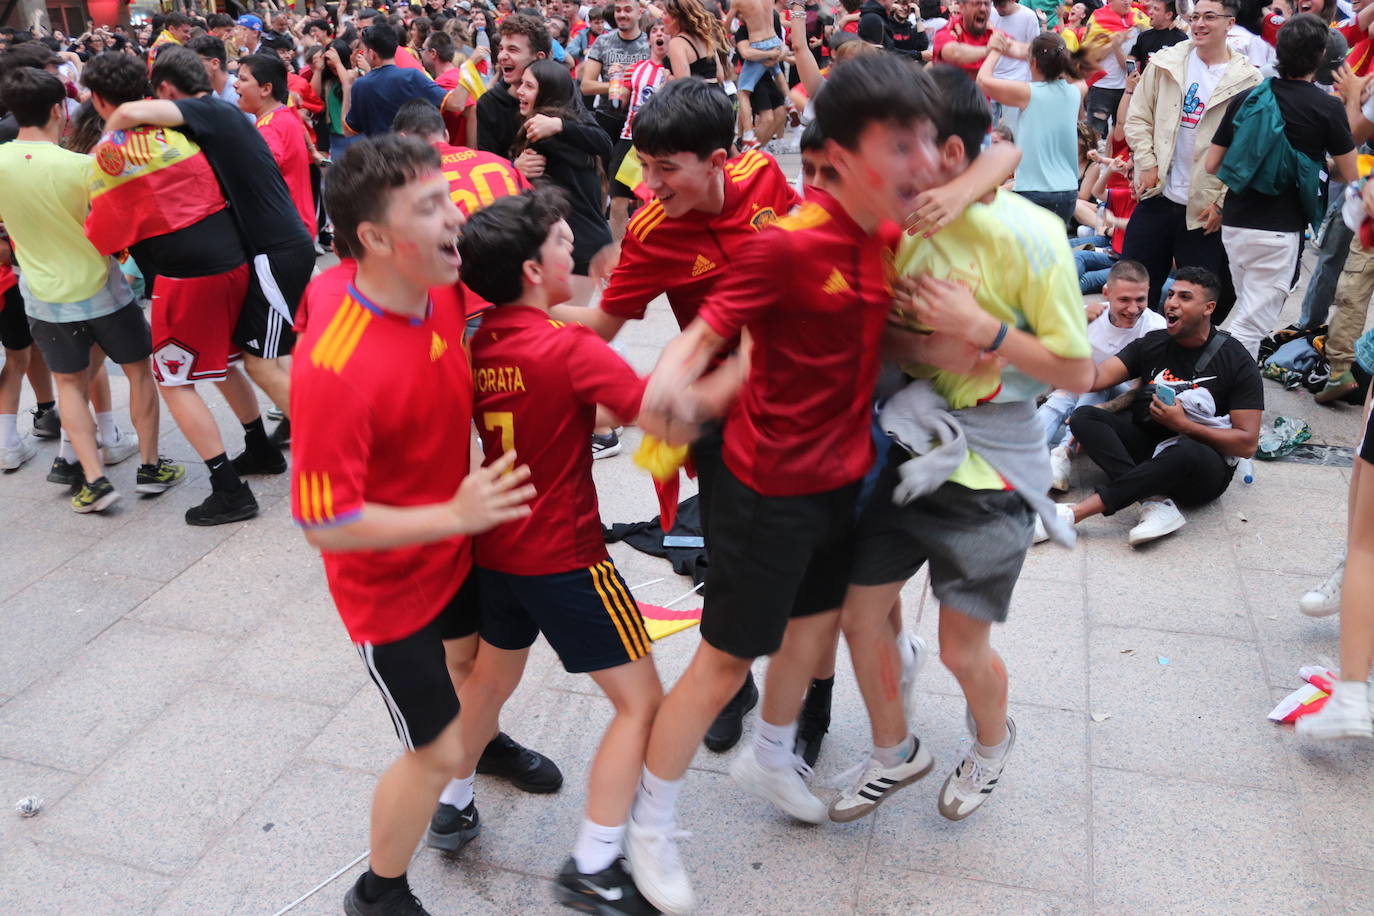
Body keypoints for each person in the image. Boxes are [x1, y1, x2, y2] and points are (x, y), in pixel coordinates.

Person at [623, 55, 1011, 914]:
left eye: (925, 143)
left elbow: (998, 156)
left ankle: (771, 756)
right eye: (902, 145)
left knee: (816, 633)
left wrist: (960, 346)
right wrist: (673, 387)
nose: (924, 163)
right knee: (724, 663)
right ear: (837, 156)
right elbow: (707, 333)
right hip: (768, 489)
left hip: (845, 476)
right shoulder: (788, 244)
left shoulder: (878, 236)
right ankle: (645, 828)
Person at [828, 63, 1094, 825]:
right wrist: (926, 342)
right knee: (860, 613)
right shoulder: (895, 222)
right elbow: (886, 335)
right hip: (908, 452)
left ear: (947, 152)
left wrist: (986, 332)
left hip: (993, 475)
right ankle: (894, 752)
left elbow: (1075, 367)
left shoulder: (1031, 235)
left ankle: (990, 743)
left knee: (960, 650)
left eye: (899, 141)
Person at [290, 134, 536, 916]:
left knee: (474, 671)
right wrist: (454, 511)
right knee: (430, 749)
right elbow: (325, 525)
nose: (455, 217)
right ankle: (379, 892)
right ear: (373, 237)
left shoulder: (439, 281)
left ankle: (484, 745)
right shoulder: (334, 364)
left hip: (455, 544)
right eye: (430, 207)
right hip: (387, 587)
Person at [553, 79, 802, 752]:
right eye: (645, 165)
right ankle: (732, 681)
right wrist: (523, 304)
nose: (650, 183)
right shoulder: (653, 232)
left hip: (806, 393)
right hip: (722, 412)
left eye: (667, 168)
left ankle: (814, 685)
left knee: (819, 548)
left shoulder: (764, 174)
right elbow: (600, 324)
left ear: (718, 161)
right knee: (724, 549)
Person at [454, 188, 663, 914]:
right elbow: (657, 412)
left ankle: (452, 801)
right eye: (563, 244)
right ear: (533, 270)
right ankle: (597, 863)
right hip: (568, 556)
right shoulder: (568, 347)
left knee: (487, 682)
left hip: (497, 547)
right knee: (642, 704)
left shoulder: (479, 340)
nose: (574, 248)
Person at [105, 46, 316, 462]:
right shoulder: (224, 117)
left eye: (244, 78)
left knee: (260, 364)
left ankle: (334, 448)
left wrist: (104, 149)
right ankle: (275, 444)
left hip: (276, 251)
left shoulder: (212, 113)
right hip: (271, 250)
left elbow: (128, 115)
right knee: (264, 356)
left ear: (166, 89)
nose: (236, 85)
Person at [83, 51, 265, 526]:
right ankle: (260, 446)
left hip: (185, 276)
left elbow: (105, 236)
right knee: (223, 361)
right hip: (232, 259)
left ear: (98, 99)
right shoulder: (176, 130)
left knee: (174, 379)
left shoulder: (108, 154)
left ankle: (229, 488)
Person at [0, 65, 183, 513]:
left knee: (69, 385)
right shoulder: (84, 166)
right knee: (139, 371)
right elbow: (115, 229)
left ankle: (94, 479)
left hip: (42, 293)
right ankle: (149, 466)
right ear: (60, 110)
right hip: (102, 289)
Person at [1048, 267, 1263, 546]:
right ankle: (1153, 503)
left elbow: (1247, 444)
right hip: (1151, 448)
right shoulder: (1153, 343)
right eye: (1171, 294)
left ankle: (1075, 513)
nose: (1171, 303)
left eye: (1185, 297)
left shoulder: (1236, 360)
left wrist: (1184, 425)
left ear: (1208, 308)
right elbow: (1095, 379)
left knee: (1186, 449)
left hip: (1199, 470)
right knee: (1084, 417)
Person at [1206, 13, 1357, 359]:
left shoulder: (1248, 98)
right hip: (1279, 232)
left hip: (1236, 223)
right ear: (1320, 56)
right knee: (1250, 325)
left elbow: (1214, 164)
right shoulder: (1327, 107)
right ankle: (1206, 383)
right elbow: (1350, 174)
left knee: (1248, 306)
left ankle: (1235, 392)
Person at [1122, 0, 1260, 312]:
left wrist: (1223, 203)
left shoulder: (1248, 80)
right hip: (1157, 195)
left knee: (1199, 306)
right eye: (1195, 16)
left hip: (1203, 211)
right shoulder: (1166, 62)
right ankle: (1134, 354)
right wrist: (1147, 163)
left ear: (1230, 23)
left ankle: (1184, 359)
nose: (1199, 24)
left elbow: (1248, 152)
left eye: (1209, 17)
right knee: (1133, 288)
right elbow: (1138, 117)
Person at [1043, 260, 1166, 487]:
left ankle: (1063, 451)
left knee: (1105, 380)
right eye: (1124, 300)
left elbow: (1142, 389)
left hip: (1125, 403)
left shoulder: (1156, 328)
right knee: (1064, 395)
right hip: (1081, 388)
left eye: (1140, 299)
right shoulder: (1085, 316)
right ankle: (1030, 448)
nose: (1133, 309)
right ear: (1106, 293)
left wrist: (1103, 409)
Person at [511, 59, 613, 309]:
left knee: (567, 332)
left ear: (548, 91)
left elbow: (605, 143)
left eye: (528, 86)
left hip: (575, 246)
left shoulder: (545, 132)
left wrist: (558, 126)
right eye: (521, 84)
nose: (519, 91)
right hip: (587, 242)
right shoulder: (571, 128)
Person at [978, 31, 1088, 226]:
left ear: (1033, 63)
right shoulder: (1075, 91)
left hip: (1034, 193)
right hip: (1068, 194)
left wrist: (996, 50)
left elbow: (982, 81)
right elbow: (1078, 78)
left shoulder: (1028, 93)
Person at [237, 54, 318, 242]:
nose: (236, 85)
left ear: (266, 89)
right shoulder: (284, 113)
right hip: (297, 226)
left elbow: (259, 177)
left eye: (243, 79)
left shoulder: (268, 128)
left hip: (283, 233)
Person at [342, 23, 468, 137]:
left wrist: (347, 86)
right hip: (414, 156)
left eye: (364, 51)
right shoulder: (412, 76)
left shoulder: (361, 85)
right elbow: (456, 104)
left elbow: (347, 131)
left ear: (372, 54)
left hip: (380, 158)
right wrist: (469, 69)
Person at [477, 13, 550, 157]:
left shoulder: (559, 90)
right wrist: (515, 167)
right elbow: (488, 161)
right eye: (501, 49)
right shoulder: (489, 103)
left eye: (512, 50)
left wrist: (561, 126)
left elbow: (603, 143)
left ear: (538, 57)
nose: (502, 57)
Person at [1083, 0, 1149, 139]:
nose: (1127, 2)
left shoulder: (1138, 17)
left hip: (1128, 88)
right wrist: (1112, 45)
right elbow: (1089, 57)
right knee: (1093, 134)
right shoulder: (1098, 18)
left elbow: (1158, 28)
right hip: (1102, 87)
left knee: (1121, 135)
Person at [733, 0, 789, 148]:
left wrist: (777, 56)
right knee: (768, 118)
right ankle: (745, 147)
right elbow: (745, 53)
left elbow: (782, 46)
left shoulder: (772, 17)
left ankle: (754, 147)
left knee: (780, 114)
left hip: (771, 73)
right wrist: (771, 54)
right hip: (757, 79)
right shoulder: (743, 31)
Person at [986, 0, 1040, 132]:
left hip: (1016, 80)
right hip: (991, 78)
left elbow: (1035, 49)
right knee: (986, 130)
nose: (998, 8)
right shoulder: (990, 13)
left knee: (1011, 131)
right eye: (996, 4)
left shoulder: (1028, 16)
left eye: (1002, 5)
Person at [933, 0, 995, 79]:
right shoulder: (947, 31)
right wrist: (990, 49)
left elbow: (1009, 44)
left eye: (986, 4)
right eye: (976, 4)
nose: (983, 8)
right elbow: (953, 53)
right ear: (962, 8)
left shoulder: (990, 32)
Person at [1133, 0, 1189, 68]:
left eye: (1156, 9)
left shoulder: (1182, 40)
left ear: (1168, 15)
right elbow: (1131, 60)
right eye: (1151, 8)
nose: (1150, 12)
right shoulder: (1143, 36)